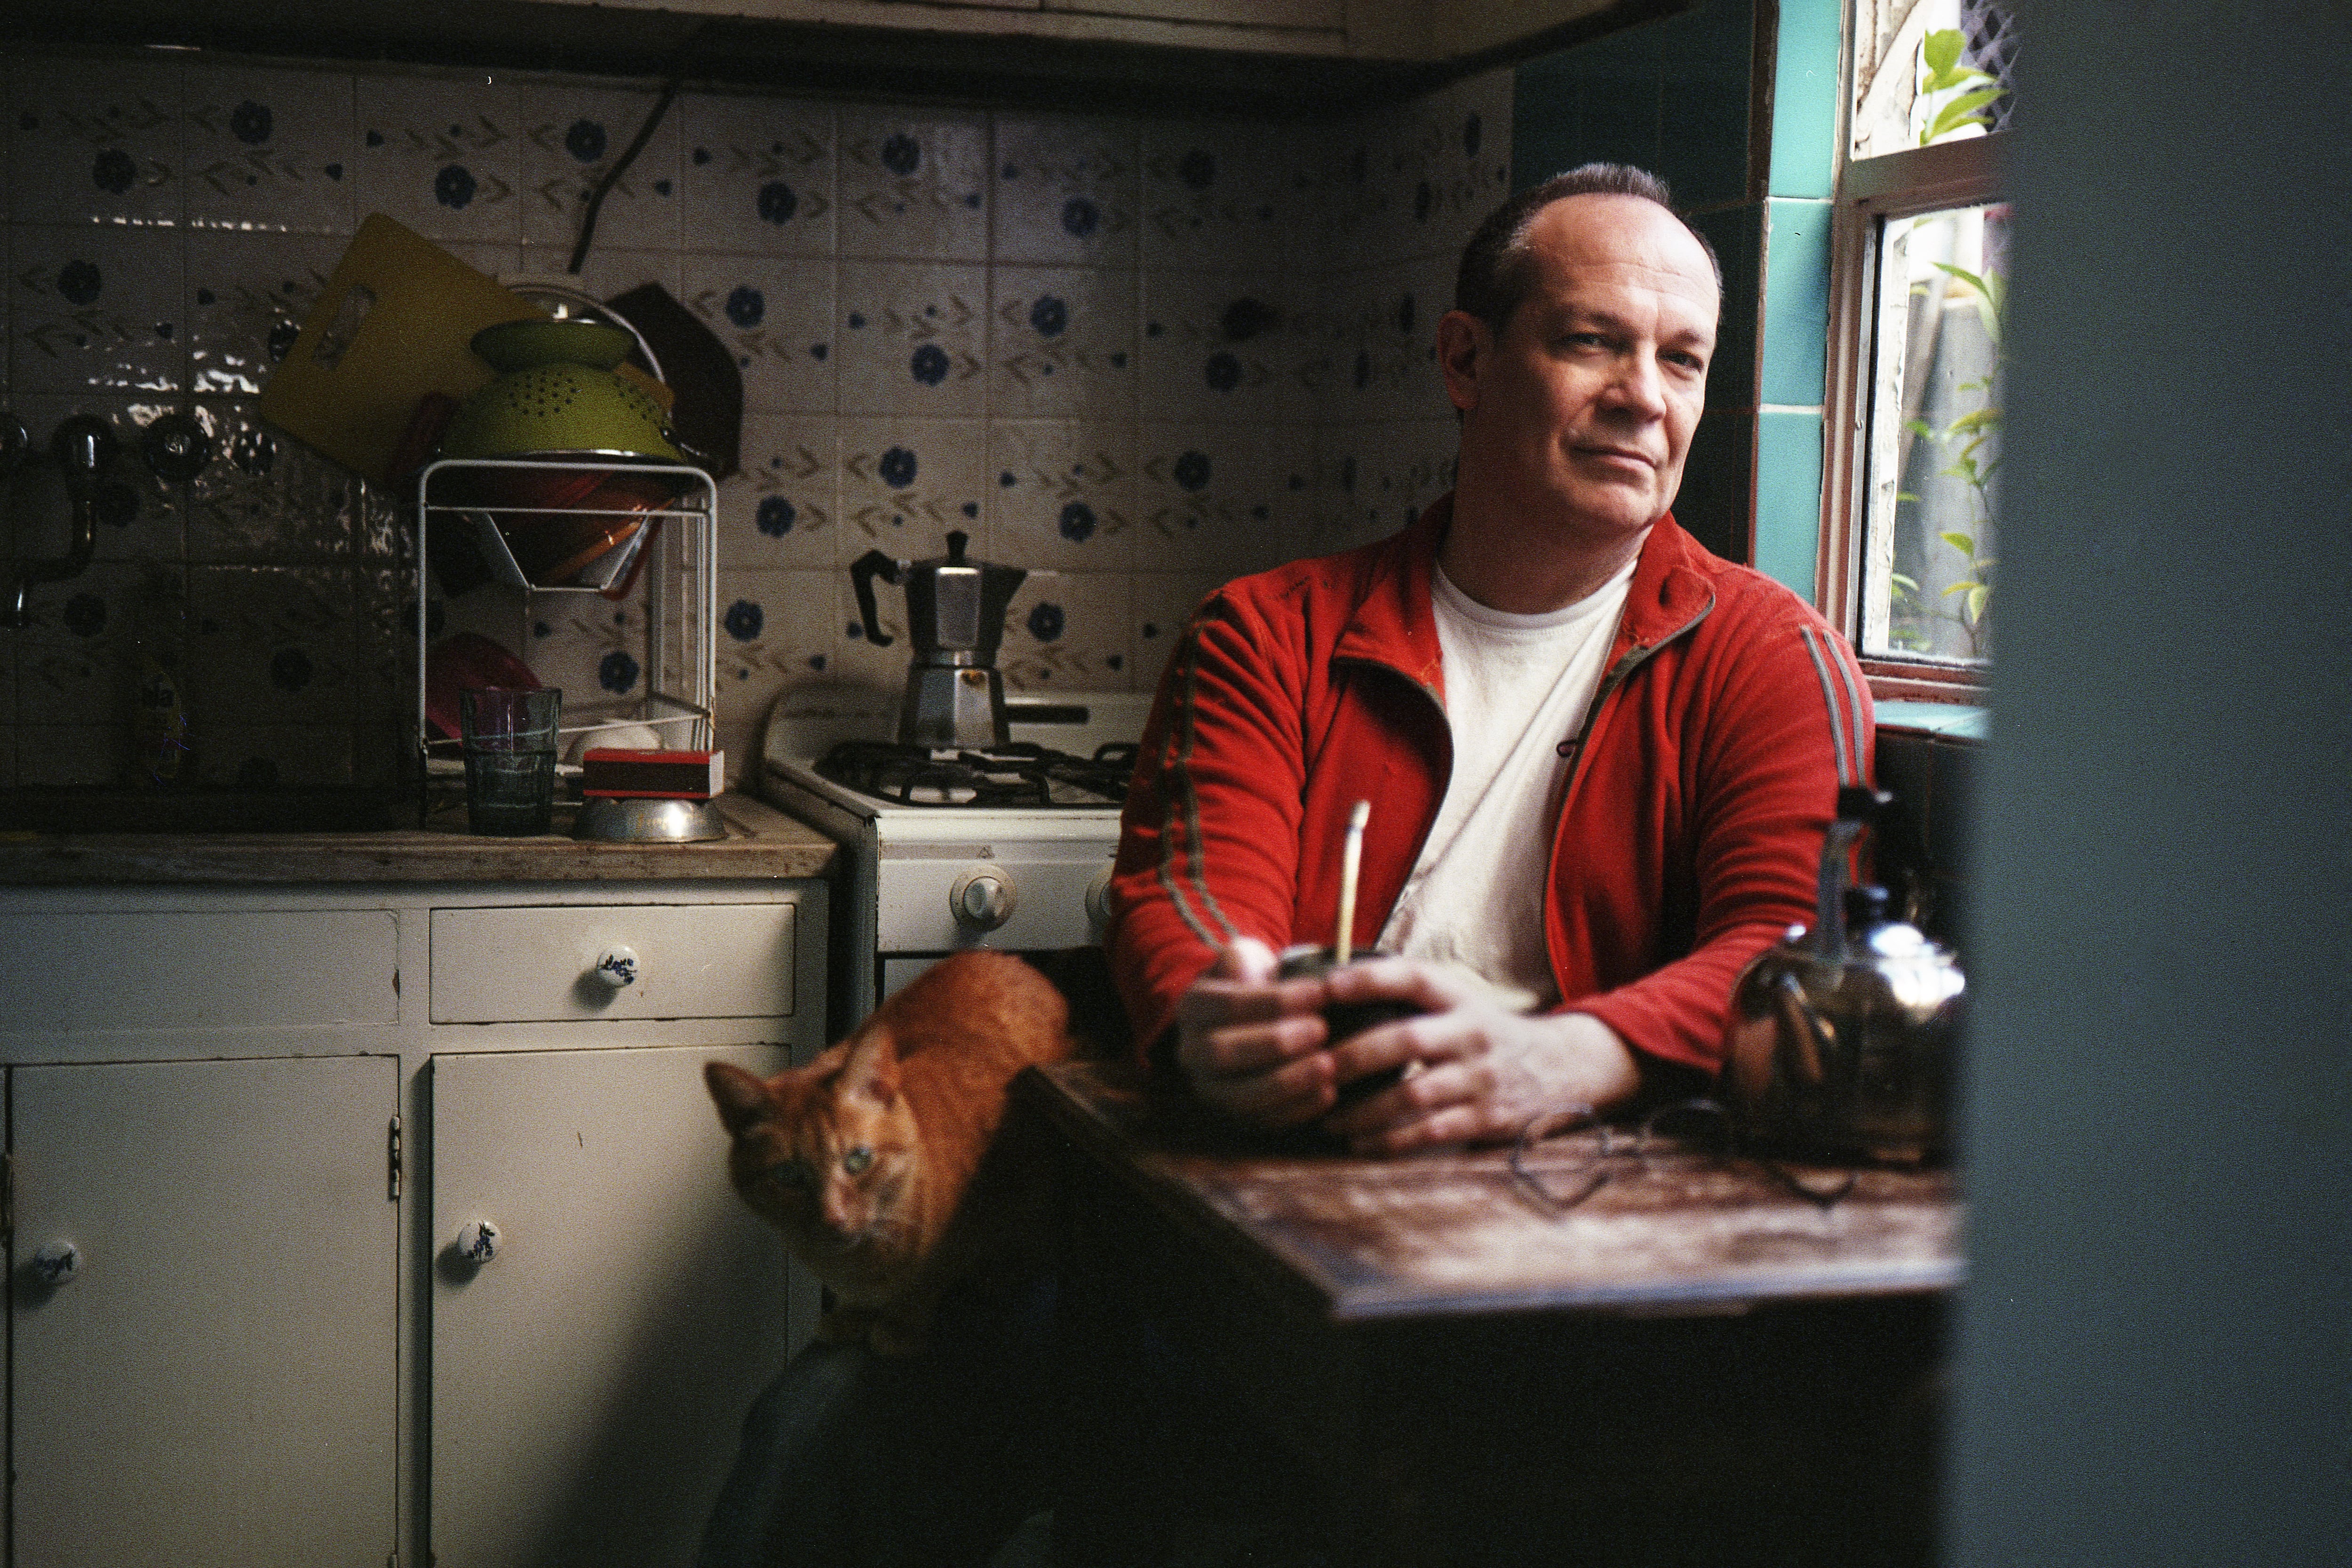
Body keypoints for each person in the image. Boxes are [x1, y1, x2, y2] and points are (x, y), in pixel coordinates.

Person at [1108, 163, 1873, 1150]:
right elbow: (1195, 900)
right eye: (1592, 342)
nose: (1644, 397)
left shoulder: (1774, 658)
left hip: (1597, 1181)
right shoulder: (1265, 634)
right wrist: (1217, 1010)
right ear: (1466, 361)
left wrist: (1570, 1057)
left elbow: (1793, 950)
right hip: (1305, 1146)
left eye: (1682, 360)